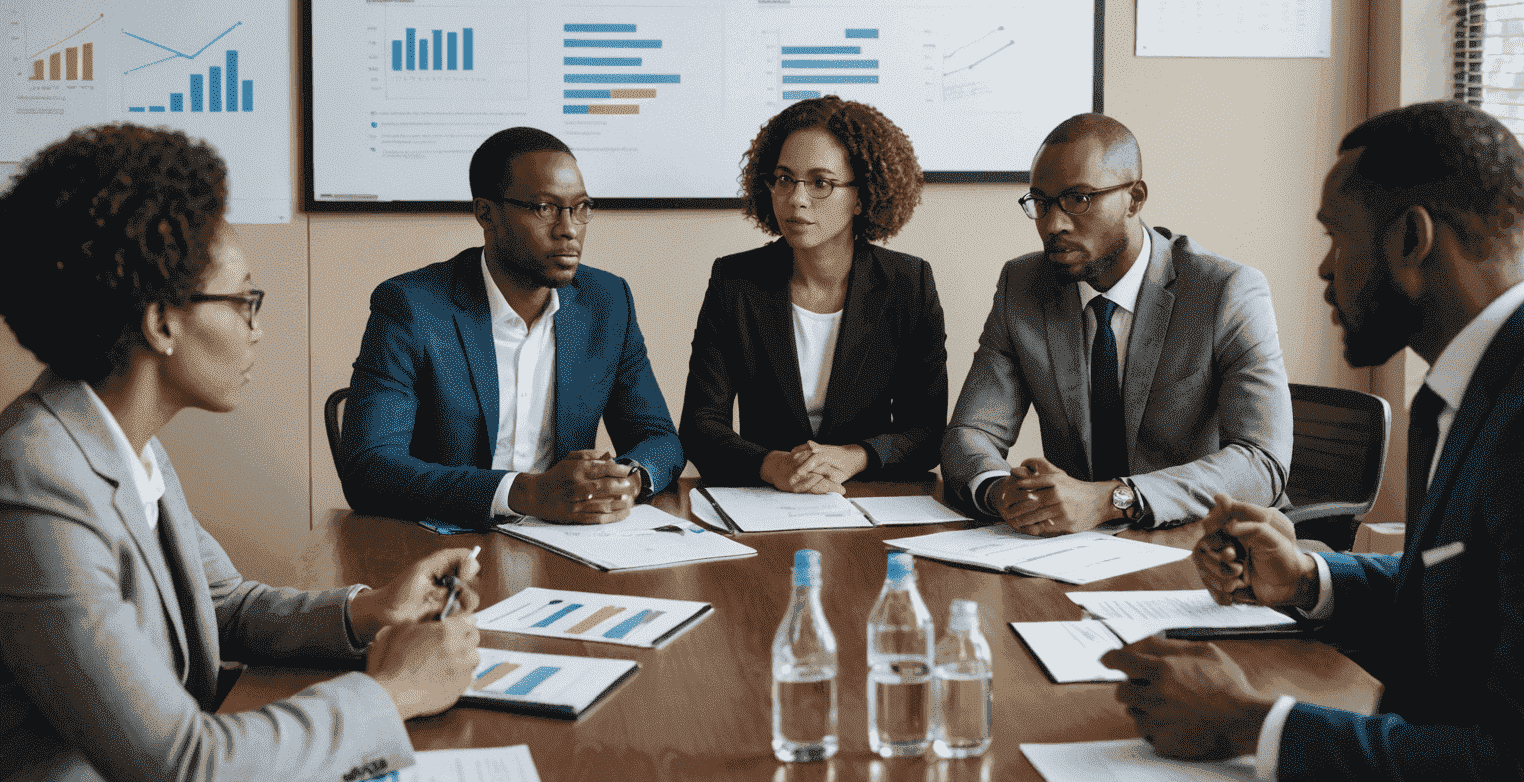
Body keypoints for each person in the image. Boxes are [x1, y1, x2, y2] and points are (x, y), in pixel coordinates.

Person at [0, 125, 481, 782]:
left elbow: (222, 606)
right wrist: (390, 693)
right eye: (243, 301)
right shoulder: (34, 482)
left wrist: (365, 611)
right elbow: (186, 771)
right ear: (160, 321)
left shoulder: (121, 443)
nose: (258, 329)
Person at [1106, 101, 1524, 782]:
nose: (1323, 269)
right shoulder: (1470, 384)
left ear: (1411, 239)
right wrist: (1308, 578)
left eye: (1336, 236)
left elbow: (1523, 779)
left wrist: (1249, 724)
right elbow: (1467, 594)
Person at [941, 112, 1290, 530]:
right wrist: (1002, 492)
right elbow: (971, 432)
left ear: (1135, 198)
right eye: (1041, 203)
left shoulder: (1225, 292)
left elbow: (1261, 461)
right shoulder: (1023, 286)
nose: (1053, 224)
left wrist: (1112, 499)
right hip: (1074, 547)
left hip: (1201, 539)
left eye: (1078, 198)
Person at [341, 126, 683, 529]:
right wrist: (524, 493)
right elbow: (370, 468)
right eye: (544, 208)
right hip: (443, 543)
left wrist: (628, 479)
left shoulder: (607, 303)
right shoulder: (412, 307)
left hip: (567, 540)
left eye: (581, 207)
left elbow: (660, 438)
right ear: (486, 213)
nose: (569, 228)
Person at [681, 96, 946, 491]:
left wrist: (854, 457)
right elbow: (700, 426)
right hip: (764, 498)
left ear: (861, 196)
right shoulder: (734, 281)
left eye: (820, 182)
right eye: (785, 179)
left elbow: (926, 433)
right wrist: (772, 465)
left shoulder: (909, 283)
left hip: (869, 494)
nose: (796, 199)